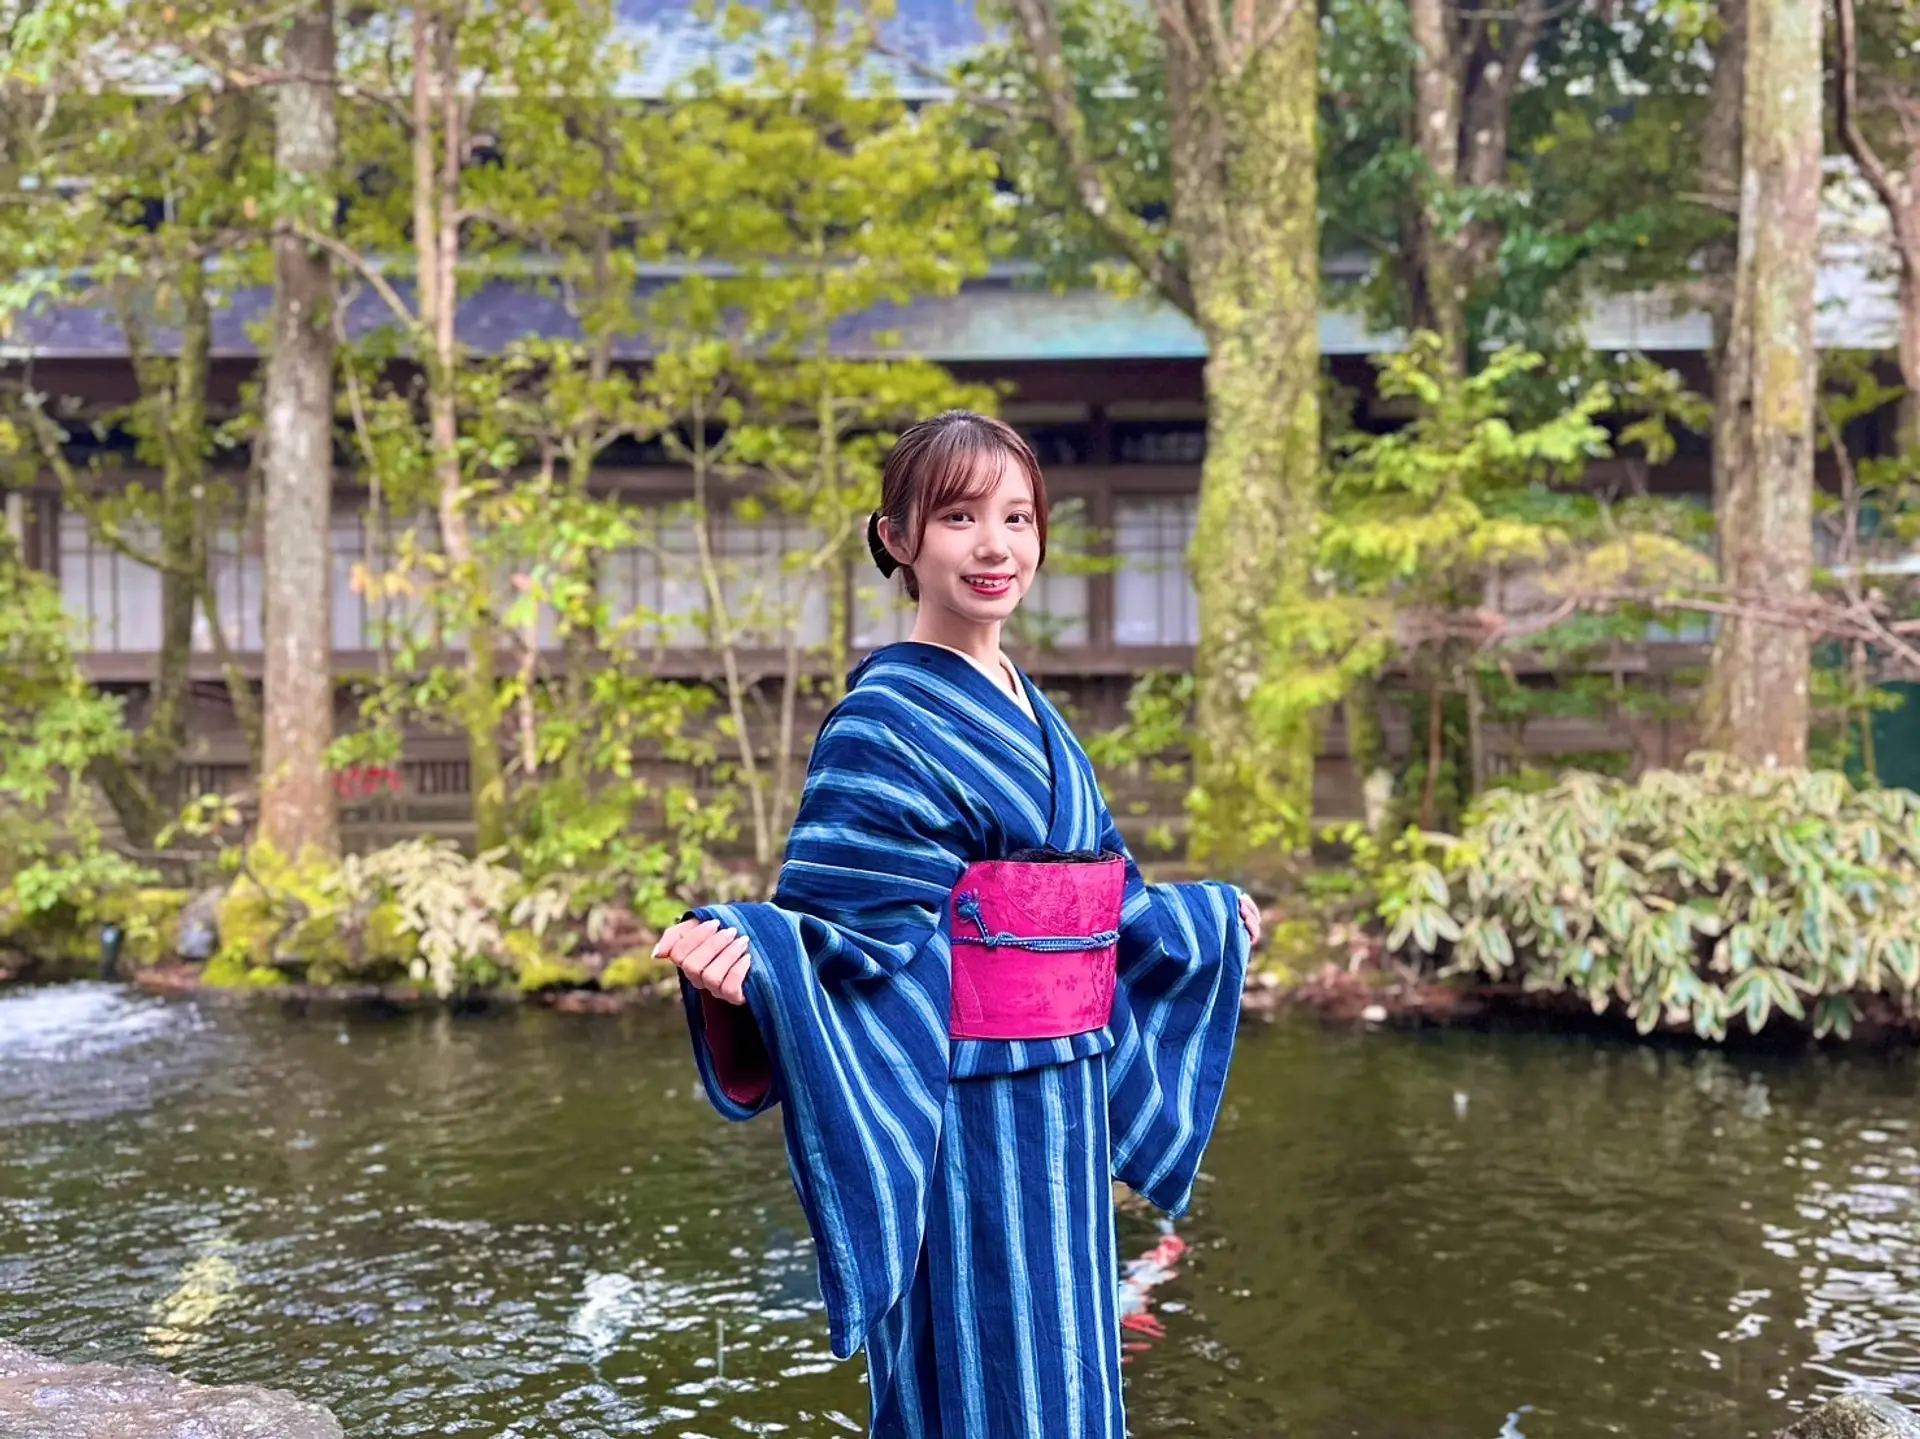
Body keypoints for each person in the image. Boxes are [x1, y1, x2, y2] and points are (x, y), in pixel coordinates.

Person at [654, 410, 1259, 1438]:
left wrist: (1206, 921)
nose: (995, 545)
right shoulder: (881, 721)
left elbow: (1107, 895)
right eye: (960, 516)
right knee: (979, 1372)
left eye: (1017, 518)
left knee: (1070, 1367)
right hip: (966, 1116)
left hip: (1066, 1102)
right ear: (897, 536)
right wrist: (757, 954)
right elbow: (850, 934)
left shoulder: (1040, 714)